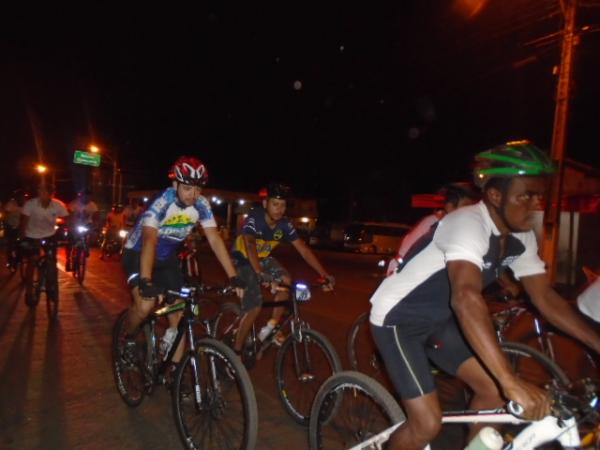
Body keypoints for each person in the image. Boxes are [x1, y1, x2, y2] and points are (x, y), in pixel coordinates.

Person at [368, 140, 600, 450]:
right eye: (526, 196)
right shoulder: (467, 223)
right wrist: (511, 380)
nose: (535, 205)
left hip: (439, 321)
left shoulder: (520, 237)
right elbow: (465, 297)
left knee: (491, 392)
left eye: (538, 196)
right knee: (426, 424)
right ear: (494, 195)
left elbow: (546, 298)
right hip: (398, 319)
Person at [121, 156, 244, 369]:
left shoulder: (202, 204)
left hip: (166, 259)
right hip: (138, 253)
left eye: (198, 189)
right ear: (175, 184)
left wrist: (233, 276)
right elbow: (150, 240)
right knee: (144, 305)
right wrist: (146, 280)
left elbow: (214, 239)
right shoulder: (162, 202)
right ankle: (128, 337)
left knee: (178, 313)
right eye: (187, 188)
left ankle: (175, 374)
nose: (193, 195)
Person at [230, 182, 335, 357]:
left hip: (263, 259)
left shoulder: (284, 224)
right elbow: (249, 244)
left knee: (286, 280)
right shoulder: (254, 218)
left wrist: (324, 274)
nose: (279, 209)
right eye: (275, 204)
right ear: (265, 204)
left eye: (283, 205)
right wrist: (259, 274)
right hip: (243, 259)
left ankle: (270, 328)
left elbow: (303, 249)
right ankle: (236, 352)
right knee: (255, 305)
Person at [386, 182, 479, 276]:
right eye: (466, 206)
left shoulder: (460, 229)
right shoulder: (432, 225)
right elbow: (400, 259)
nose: (470, 211)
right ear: (450, 206)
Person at [19, 183, 69, 304]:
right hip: (32, 235)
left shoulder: (57, 205)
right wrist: (23, 237)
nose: (41, 194)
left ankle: (52, 284)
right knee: (33, 260)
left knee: (52, 259)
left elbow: (67, 218)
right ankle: (29, 291)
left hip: (50, 235)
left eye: (44, 191)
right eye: (40, 191)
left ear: (51, 194)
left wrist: (65, 230)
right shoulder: (30, 204)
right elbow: (24, 222)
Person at [65, 189, 99, 271]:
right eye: (86, 196)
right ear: (82, 196)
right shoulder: (74, 204)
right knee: (70, 242)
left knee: (93, 233)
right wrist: (70, 225)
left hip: (87, 224)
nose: (87, 198)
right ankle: (68, 259)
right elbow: (69, 215)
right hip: (75, 225)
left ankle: (87, 246)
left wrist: (96, 225)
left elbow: (96, 216)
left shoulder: (93, 205)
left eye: (89, 197)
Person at [3, 190, 27, 271]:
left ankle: (20, 258)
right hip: (11, 226)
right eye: (20, 197)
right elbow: (5, 213)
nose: (22, 198)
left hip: (21, 227)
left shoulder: (26, 204)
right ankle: (10, 261)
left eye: (23, 197)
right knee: (11, 244)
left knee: (22, 244)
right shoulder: (11, 204)